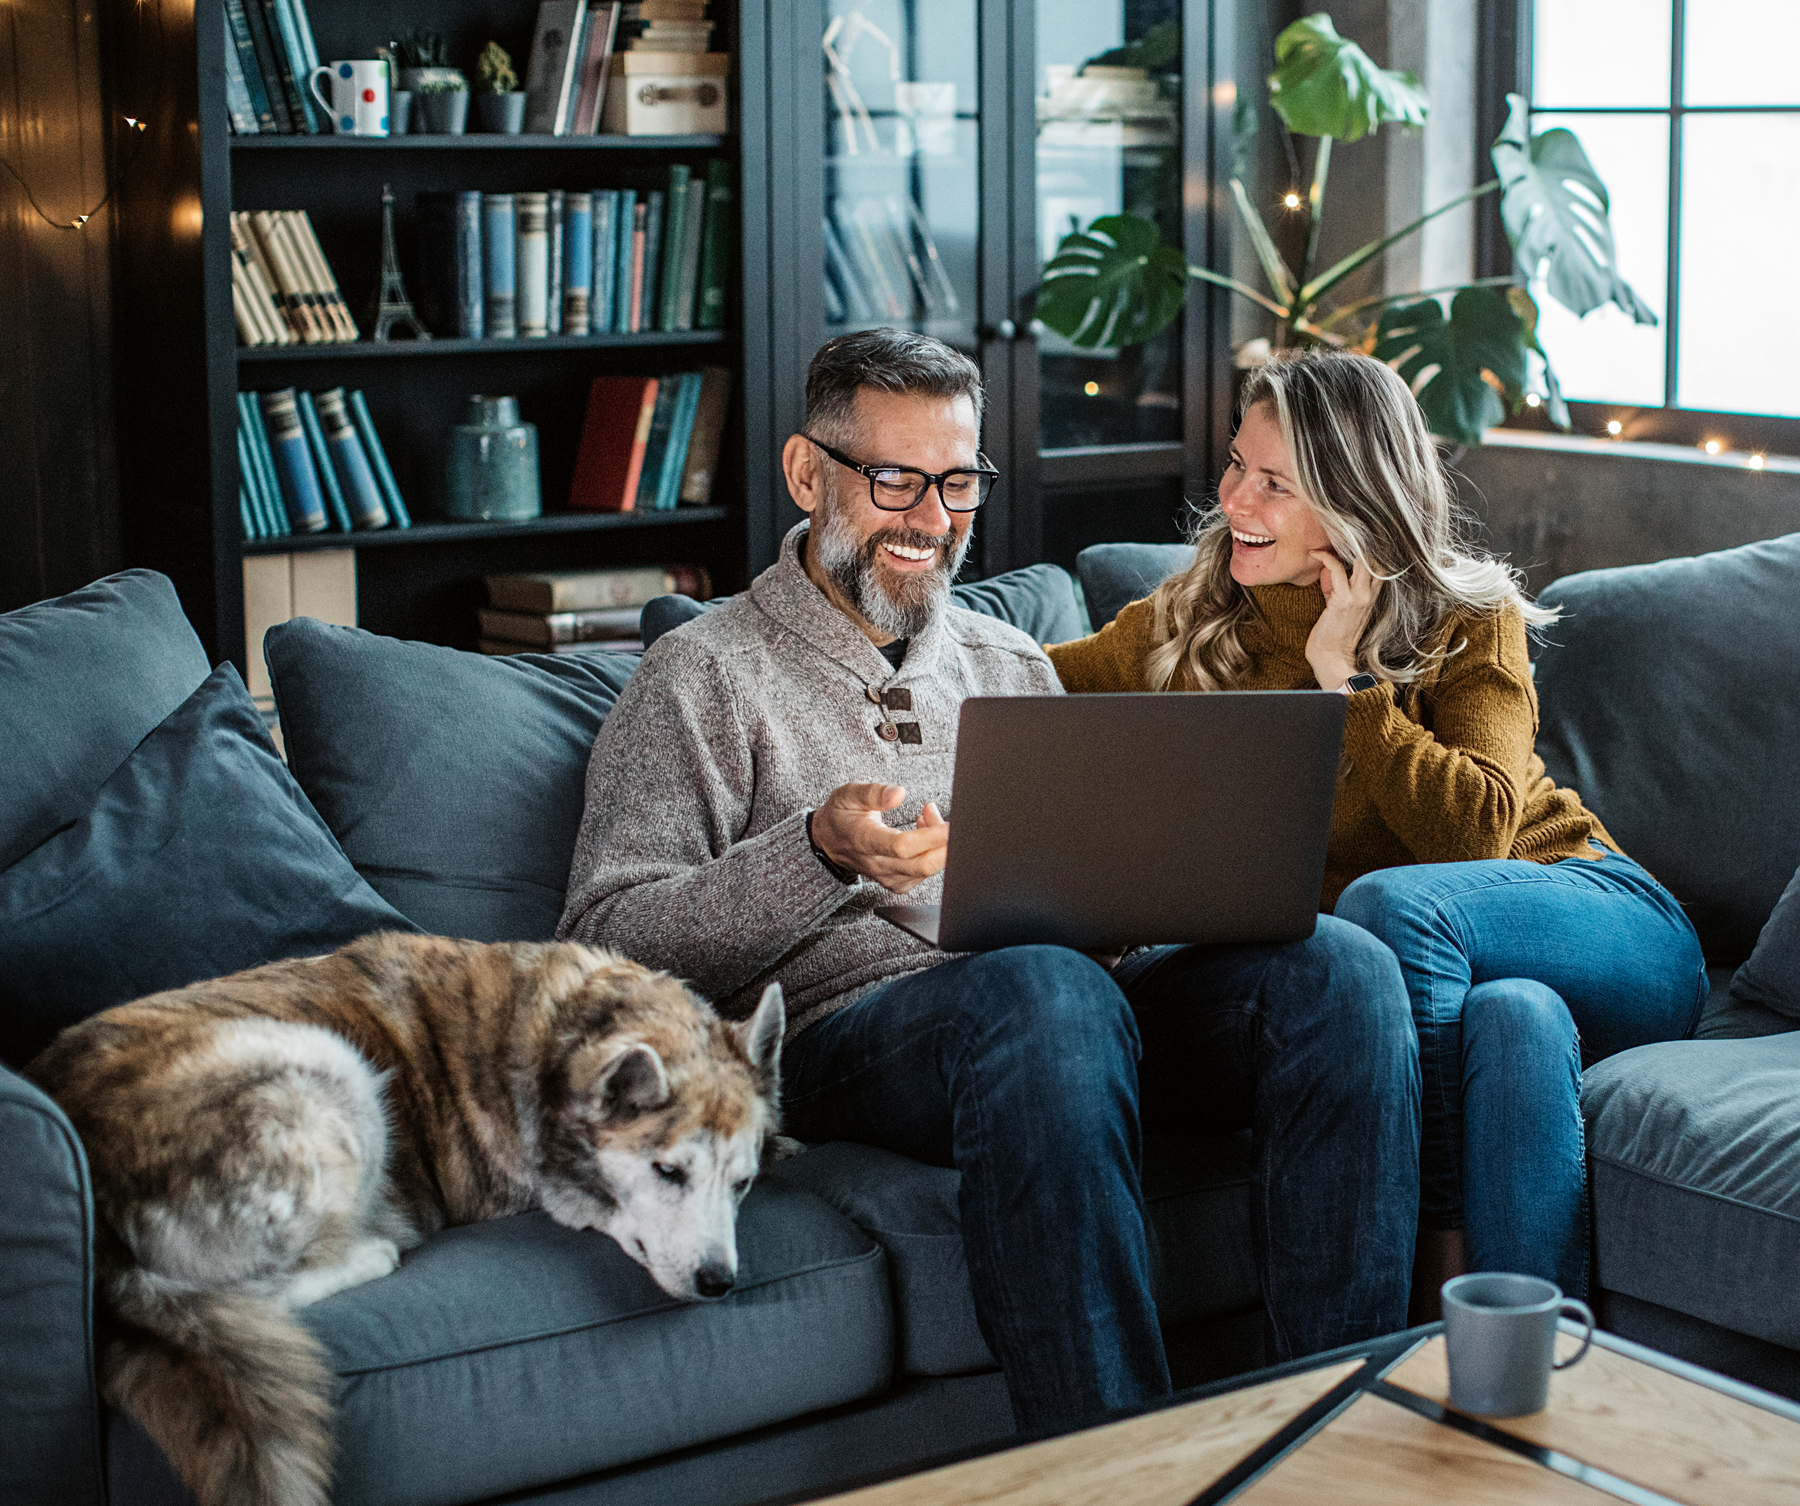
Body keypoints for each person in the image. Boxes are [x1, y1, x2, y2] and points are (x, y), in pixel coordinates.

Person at [559, 329, 1419, 1432]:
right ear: (807, 474)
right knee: (1045, 995)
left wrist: (1132, 905)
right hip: (851, 1037)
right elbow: (605, 939)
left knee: (1339, 967)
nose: (931, 517)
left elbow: (1081, 900)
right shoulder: (701, 676)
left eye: (958, 481)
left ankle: (1342, 1440)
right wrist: (815, 851)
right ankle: (1118, 1469)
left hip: (1070, 1008)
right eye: (895, 479)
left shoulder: (1010, 666)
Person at [1046, 349, 1706, 1307]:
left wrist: (1345, 681)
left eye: (1276, 484)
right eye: (1237, 464)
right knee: (1513, 1023)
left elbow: (1476, 836)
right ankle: (1528, 1375)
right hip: (1483, 984)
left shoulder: (1464, 617)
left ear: (1355, 501)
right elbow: (1019, 685)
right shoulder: (1189, 621)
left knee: (1392, 907)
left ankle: (1429, 1258)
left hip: (1602, 920)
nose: (1235, 498)